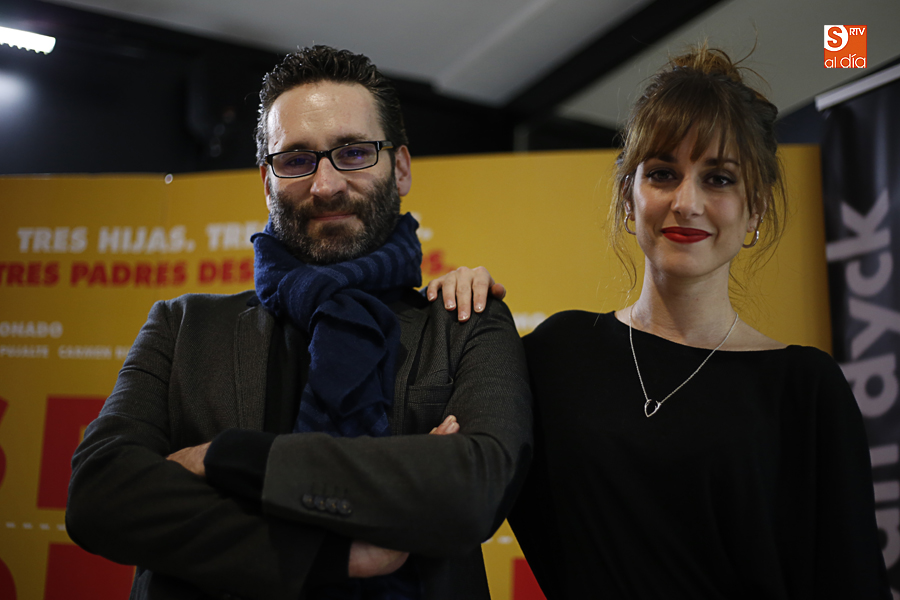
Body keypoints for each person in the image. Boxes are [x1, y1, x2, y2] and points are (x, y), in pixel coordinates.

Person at [66, 45, 532, 600]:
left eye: (354, 152)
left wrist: (225, 459)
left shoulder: (466, 321)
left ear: (400, 167)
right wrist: (328, 555)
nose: (327, 184)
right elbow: (101, 494)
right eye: (296, 159)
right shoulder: (183, 327)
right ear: (267, 181)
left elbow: (475, 489)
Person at [428, 46, 891, 598]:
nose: (686, 202)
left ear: (756, 209)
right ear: (629, 196)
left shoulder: (806, 389)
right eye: (664, 173)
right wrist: (457, 306)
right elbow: (458, 486)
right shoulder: (559, 353)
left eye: (718, 178)